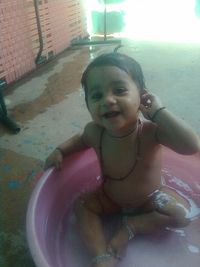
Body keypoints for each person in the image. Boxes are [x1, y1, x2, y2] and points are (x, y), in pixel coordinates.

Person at [44, 52, 200, 267]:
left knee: (184, 215)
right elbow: (79, 141)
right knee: (82, 205)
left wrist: (158, 112)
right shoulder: (94, 132)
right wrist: (60, 150)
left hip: (151, 197)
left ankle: (134, 226)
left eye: (119, 90)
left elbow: (191, 146)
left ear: (143, 97)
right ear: (89, 105)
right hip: (110, 198)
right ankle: (101, 256)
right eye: (96, 96)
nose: (108, 100)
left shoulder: (151, 132)